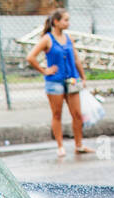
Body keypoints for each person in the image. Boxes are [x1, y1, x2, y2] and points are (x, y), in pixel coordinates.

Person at [26, 10, 95, 158]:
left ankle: (79, 145)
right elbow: (30, 57)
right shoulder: (47, 39)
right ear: (56, 22)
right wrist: (44, 70)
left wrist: (83, 77)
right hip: (55, 82)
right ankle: (60, 146)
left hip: (72, 80)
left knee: (77, 114)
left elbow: (76, 59)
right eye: (65, 20)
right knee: (57, 114)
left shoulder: (69, 38)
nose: (68, 23)